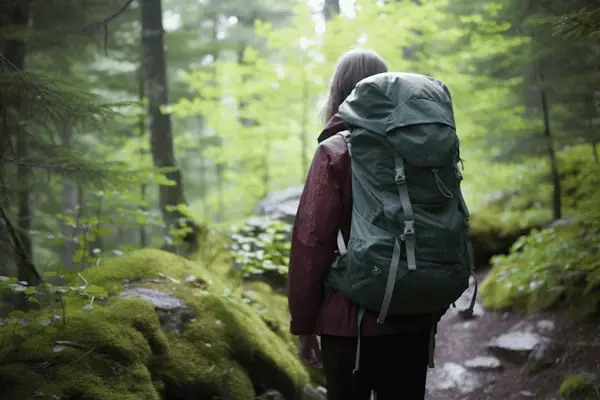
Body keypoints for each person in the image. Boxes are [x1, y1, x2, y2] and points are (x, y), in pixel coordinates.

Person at [287, 49, 439, 400]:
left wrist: (305, 325)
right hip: (413, 316)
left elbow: (312, 243)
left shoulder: (336, 151)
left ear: (338, 92)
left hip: (349, 324)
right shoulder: (420, 148)